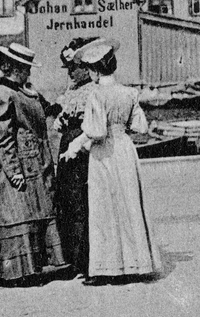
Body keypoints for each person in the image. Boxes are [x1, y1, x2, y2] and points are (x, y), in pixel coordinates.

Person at [62, 38, 160, 282]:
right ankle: (137, 263)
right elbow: (141, 126)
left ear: (94, 70)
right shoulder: (129, 92)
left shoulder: (96, 94)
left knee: (103, 207)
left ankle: (108, 268)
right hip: (124, 149)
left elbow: (95, 131)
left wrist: (74, 146)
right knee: (128, 203)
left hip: (104, 153)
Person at [0, 44, 66, 286]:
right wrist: (14, 171)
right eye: (25, 68)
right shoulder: (1, 95)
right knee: (15, 215)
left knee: (34, 211)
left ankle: (30, 267)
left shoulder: (23, 91)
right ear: (15, 68)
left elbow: (43, 113)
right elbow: (0, 136)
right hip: (16, 166)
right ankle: (15, 271)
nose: (28, 72)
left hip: (36, 163)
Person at [54, 38, 96, 274]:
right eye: (68, 68)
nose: (70, 73)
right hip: (67, 144)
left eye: (73, 68)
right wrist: (61, 119)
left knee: (82, 199)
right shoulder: (72, 90)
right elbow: (64, 111)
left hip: (82, 147)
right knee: (68, 199)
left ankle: (85, 258)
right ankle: (71, 256)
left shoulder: (92, 90)